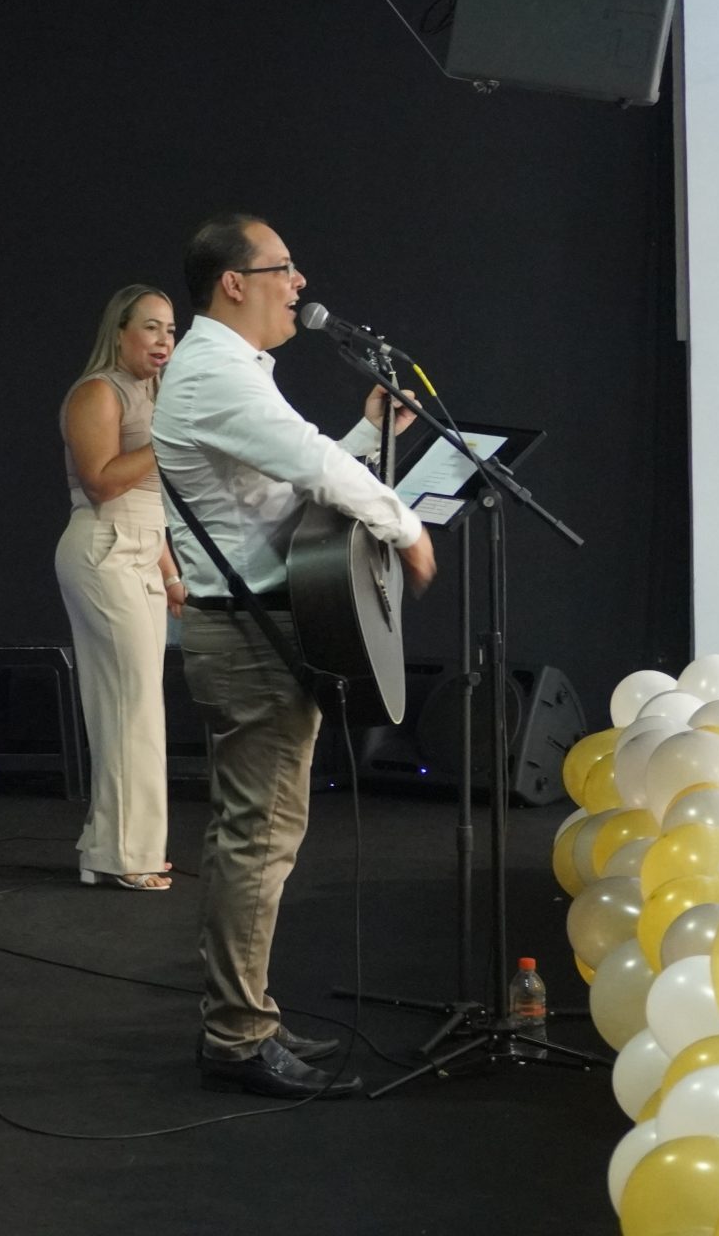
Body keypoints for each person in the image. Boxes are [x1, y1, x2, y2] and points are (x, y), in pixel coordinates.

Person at [152, 212, 435, 1101]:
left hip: (259, 630)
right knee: (258, 841)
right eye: (282, 268)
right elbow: (309, 468)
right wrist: (407, 526)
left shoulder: (231, 371)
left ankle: (246, 1019)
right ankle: (237, 1036)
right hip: (249, 638)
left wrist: (369, 438)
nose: (299, 283)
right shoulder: (213, 370)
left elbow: (283, 490)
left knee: (257, 836)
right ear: (233, 282)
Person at [57, 284, 182, 891]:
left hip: (141, 549)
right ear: (121, 331)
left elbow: (150, 508)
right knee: (132, 704)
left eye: (171, 330)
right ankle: (126, 853)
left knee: (132, 703)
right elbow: (103, 483)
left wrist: (170, 573)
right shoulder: (98, 391)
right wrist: (170, 443)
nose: (165, 341)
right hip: (102, 548)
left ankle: (108, 848)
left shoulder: (158, 397)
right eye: (152, 327)